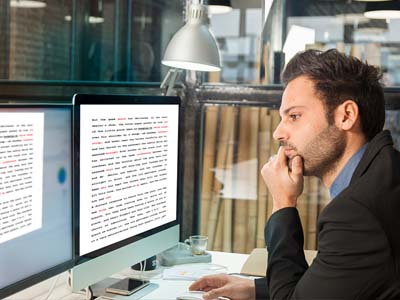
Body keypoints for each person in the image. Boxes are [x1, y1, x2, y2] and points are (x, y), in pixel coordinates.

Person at [189, 49, 400, 299]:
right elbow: (342, 280)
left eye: (295, 116)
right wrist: (256, 288)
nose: (278, 133)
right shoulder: (385, 171)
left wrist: (283, 204)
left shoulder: (356, 213)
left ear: (346, 116)